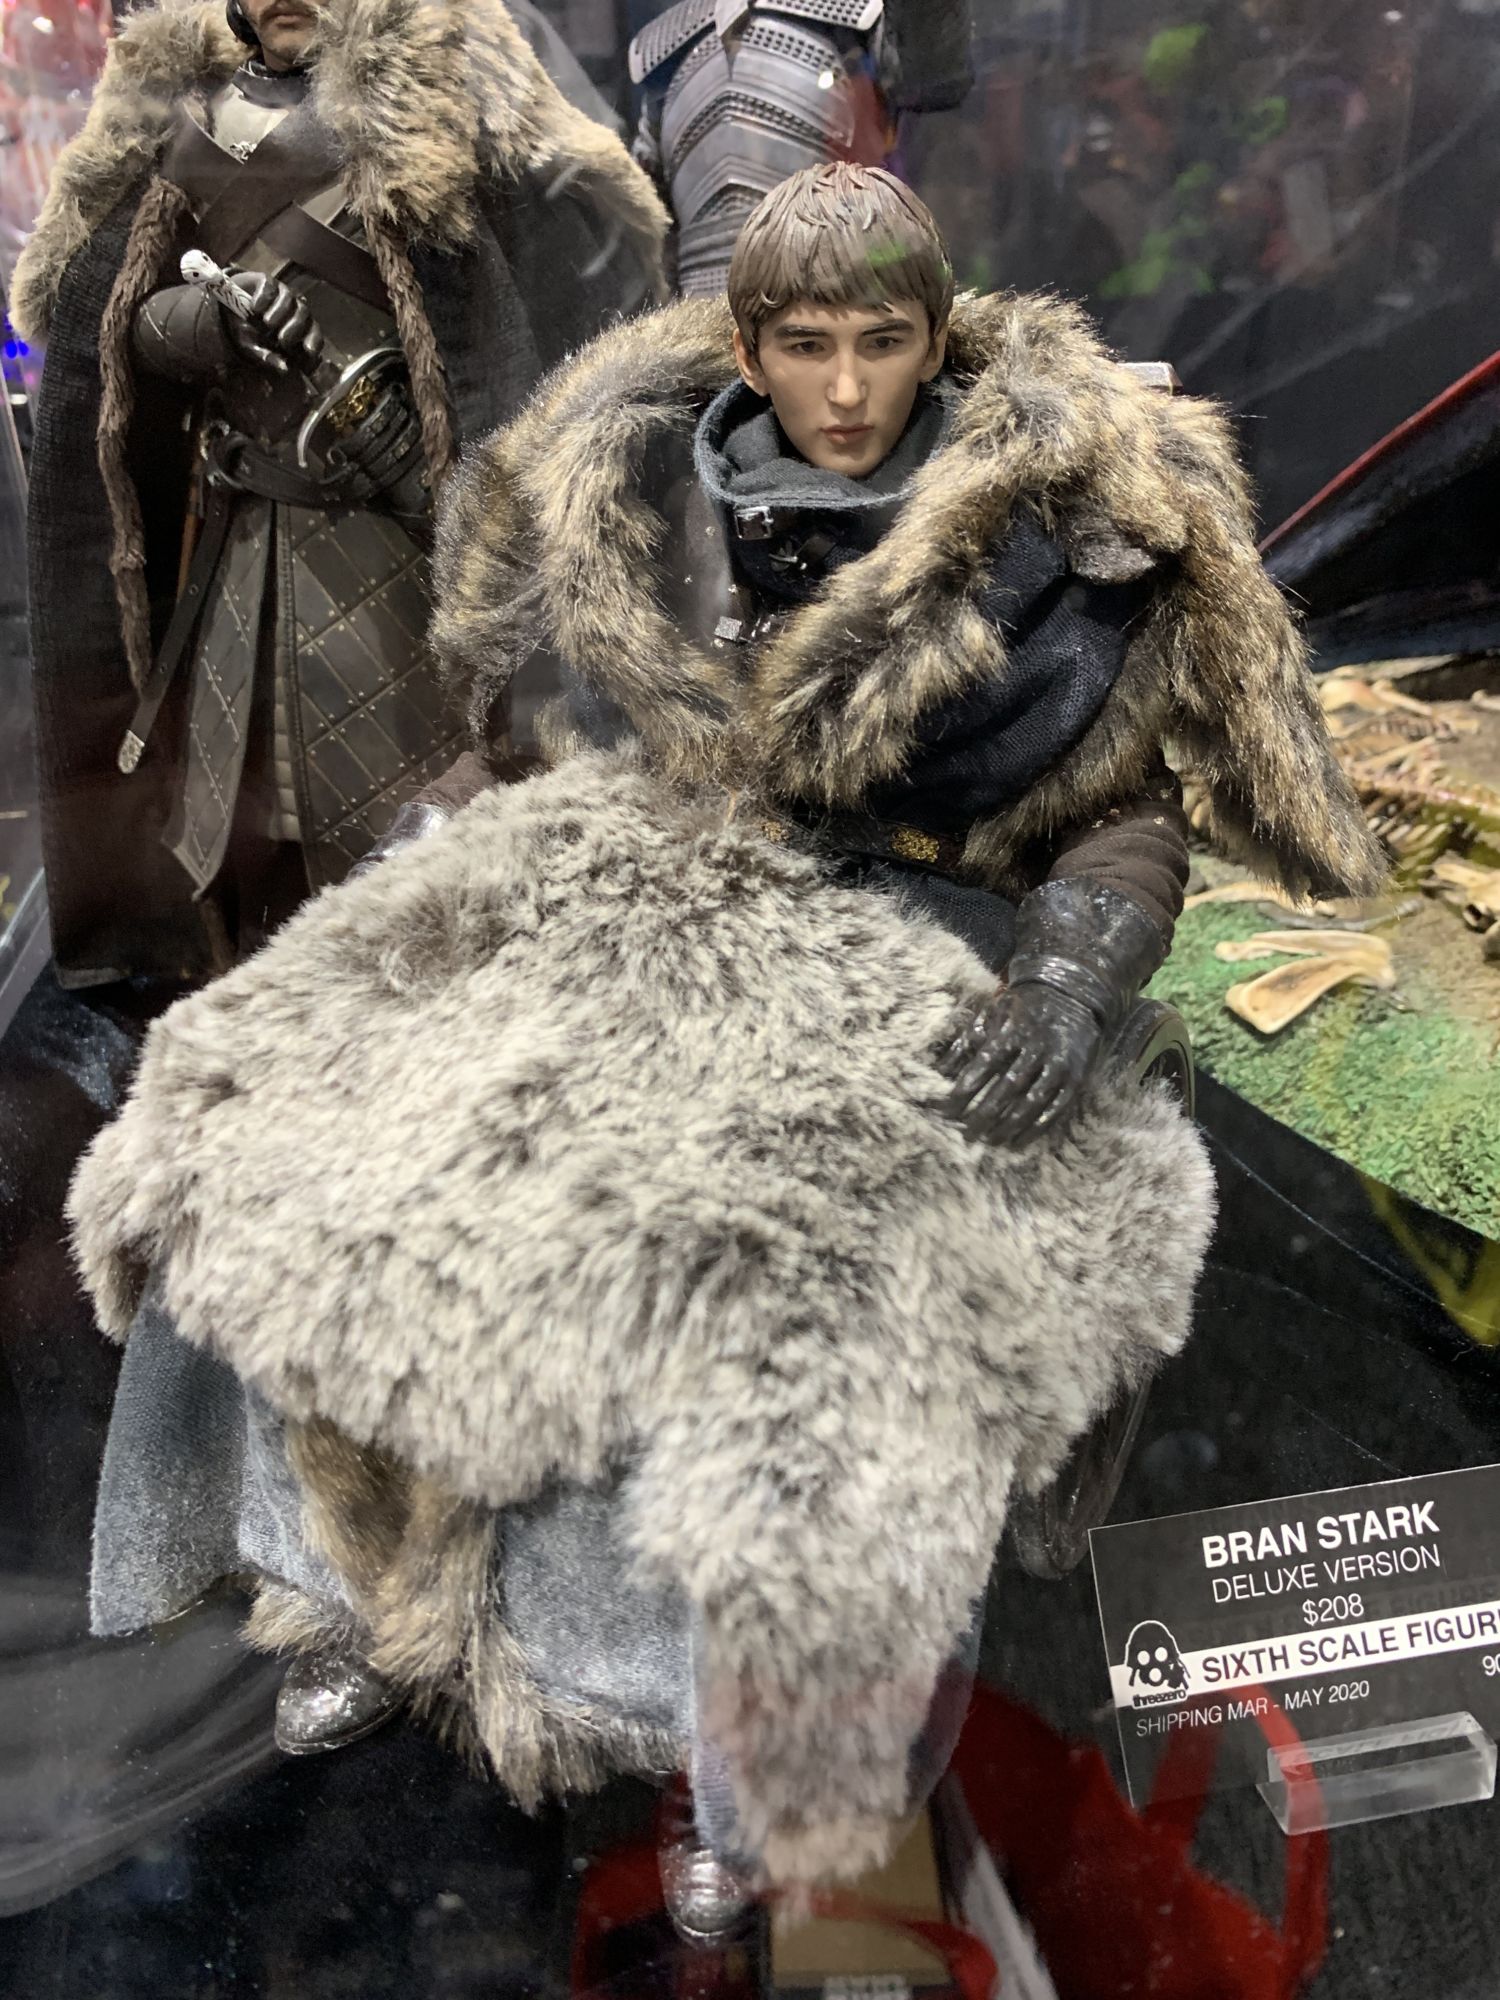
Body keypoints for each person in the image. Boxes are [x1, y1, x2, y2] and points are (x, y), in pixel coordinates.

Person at [69, 164, 1381, 1901]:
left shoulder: (1055, 534)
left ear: (939, 338)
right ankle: (340, 1583)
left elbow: (1126, 817)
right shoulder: (633, 485)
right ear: (749, 346)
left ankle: (714, 1737)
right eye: (806, 345)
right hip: (639, 876)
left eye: (883, 342)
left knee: (760, 1291)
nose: (846, 388)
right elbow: (531, 731)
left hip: (919, 928)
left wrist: (1067, 983)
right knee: (272, 1115)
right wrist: (428, 853)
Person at [13, 0, 665, 989]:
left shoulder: (436, 99)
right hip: (239, 565)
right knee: (245, 851)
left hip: (402, 570)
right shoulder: (180, 111)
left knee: (421, 864)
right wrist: (202, 322)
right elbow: (118, 330)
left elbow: (539, 325)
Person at [629, 0, 973, 295]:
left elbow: (937, 77)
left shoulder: (857, 16)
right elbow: (649, 216)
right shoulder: (670, 41)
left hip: (845, 302)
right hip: (698, 317)